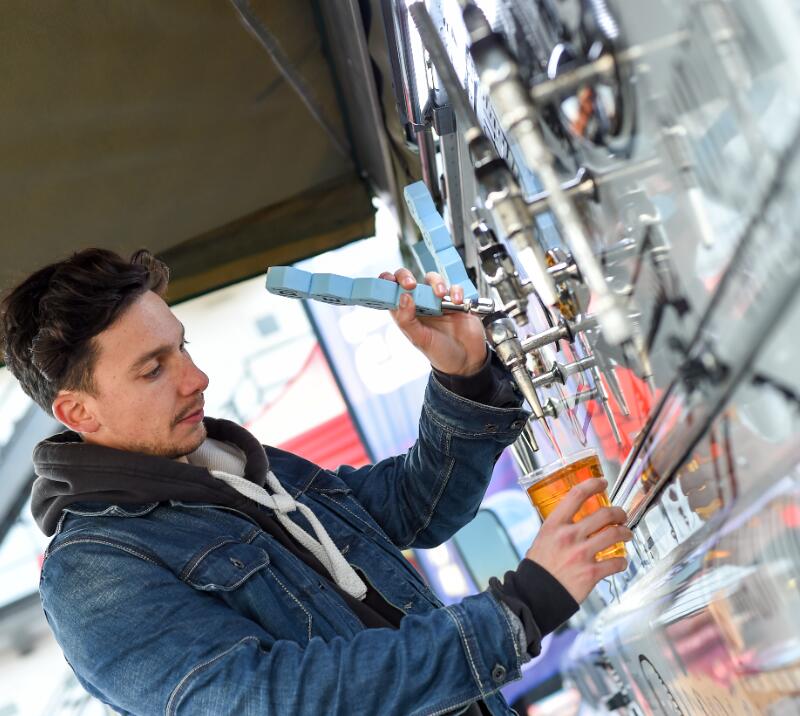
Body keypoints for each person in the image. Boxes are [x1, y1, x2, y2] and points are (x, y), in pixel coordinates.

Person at [0, 248, 631, 715]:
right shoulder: (91, 572)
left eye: (183, 347)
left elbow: (411, 508)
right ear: (77, 413)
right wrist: (517, 612)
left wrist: (462, 378)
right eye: (153, 369)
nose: (196, 378)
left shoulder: (232, 463)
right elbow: (275, 701)